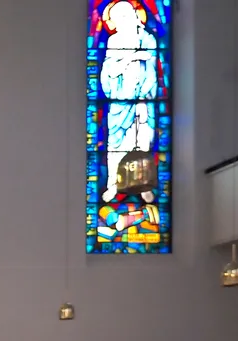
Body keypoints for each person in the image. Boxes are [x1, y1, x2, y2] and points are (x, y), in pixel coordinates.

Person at [100, 1, 158, 205]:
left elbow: (152, 70)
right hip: (120, 102)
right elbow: (108, 71)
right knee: (115, 146)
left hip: (142, 100)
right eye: (117, 20)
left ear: (133, 16)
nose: (121, 22)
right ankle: (112, 185)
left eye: (125, 17)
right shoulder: (114, 41)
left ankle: (144, 187)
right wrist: (130, 58)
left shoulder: (147, 39)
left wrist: (143, 98)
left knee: (142, 143)